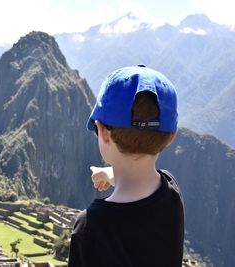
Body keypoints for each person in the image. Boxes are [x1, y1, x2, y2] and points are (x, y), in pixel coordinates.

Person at [68, 65, 184, 267]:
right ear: (171, 137)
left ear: (102, 131)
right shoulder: (171, 190)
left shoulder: (90, 227)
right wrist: (108, 174)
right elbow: (137, 183)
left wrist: (109, 174)